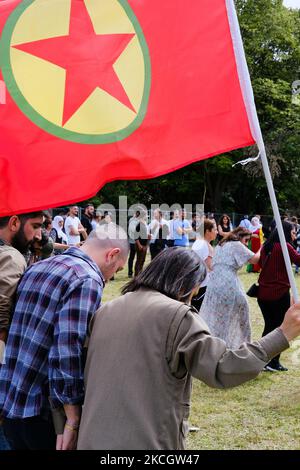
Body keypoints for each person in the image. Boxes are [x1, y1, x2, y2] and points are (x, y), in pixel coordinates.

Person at [77, 247, 300, 450]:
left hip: (90, 438)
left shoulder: (106, 310)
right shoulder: (177, 315)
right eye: (197, 287)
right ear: (187, 284)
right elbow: (224, 367)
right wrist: (284, 333)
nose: (195, 294)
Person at [0, 224, 129, 451]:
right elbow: (68, 348)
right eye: (117, 270)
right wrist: (72, 417)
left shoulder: (38, 267)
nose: (110, 278)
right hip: (43, 413)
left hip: (12, 402)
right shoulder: (86, 279)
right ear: (112, 254)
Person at [0, 211, 44, 450]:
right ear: (15, 222)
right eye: (35, 226)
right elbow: (1, 317)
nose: (38, 235)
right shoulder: (11, 257)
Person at [200, 227, 260, 348]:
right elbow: (255, 260)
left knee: (219, 317)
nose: (246, 243)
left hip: (214, 283)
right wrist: (261, 248)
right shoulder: (236, 244)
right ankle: (241, 345)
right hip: (228, 282)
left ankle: (218, 345)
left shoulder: (220, 245)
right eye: (246, 240)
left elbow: (212, 266)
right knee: (242, 312)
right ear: (239, 236)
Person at [257, 221, 300, 372]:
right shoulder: (285, 247)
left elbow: (262, 264)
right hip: (278, 294)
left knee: (269, 326)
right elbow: (298, 260)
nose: (294, 235)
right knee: (279, 329)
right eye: (293, 232)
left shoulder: (266, 246)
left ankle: (262, 359)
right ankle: (272, 361)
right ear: (287, 232)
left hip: (263, 294)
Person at [191, 219, 218, 310]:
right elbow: (212, 267)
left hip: (197, 284)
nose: (216, 232)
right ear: (207, 231)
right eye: (214, 230)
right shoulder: (203, 245)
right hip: (203, 285)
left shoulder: (199, 243)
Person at [134, 210, 149, 276]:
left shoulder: (145, 223)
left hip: (145, 244)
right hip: (140, 245)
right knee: (139, 260)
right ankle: (137, 275)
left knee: (143, 260)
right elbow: (136, 236)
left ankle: (140, 274)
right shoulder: (139, 224)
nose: (146, 216)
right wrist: (139, 245)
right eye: (146, 215)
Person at [127, 210, 140, 278]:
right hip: (134, 241)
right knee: (133, 257)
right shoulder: (133, 220)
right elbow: (132, 230)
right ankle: (131, 272)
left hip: (134, 241)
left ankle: (134, 272)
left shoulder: (133, 219)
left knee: (133, 257)